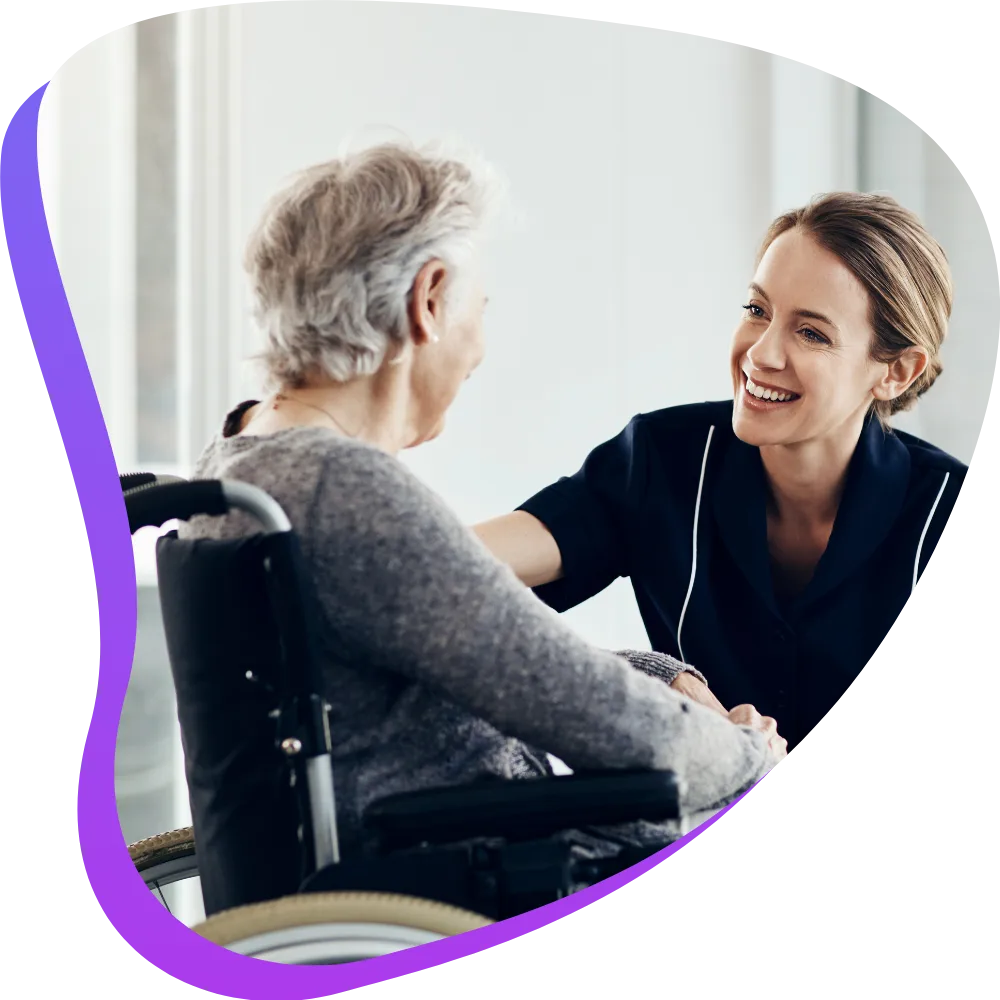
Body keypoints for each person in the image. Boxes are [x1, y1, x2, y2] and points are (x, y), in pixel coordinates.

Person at [180, 142, 785, 865]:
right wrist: (748, 755)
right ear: (429, 299)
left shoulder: (245, 463)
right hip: (471, 878)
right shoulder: (346, 493)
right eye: (480, 308)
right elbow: (628, 733)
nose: (479, 348)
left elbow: (505, 655)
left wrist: (662, 674)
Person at [474, 192, 969, 749]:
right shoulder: (662, 461)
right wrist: (650, 677)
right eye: (758, 310)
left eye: (811, 333)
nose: (760, 354)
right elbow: (448, 571)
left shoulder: (944, 509)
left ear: (897, 372)